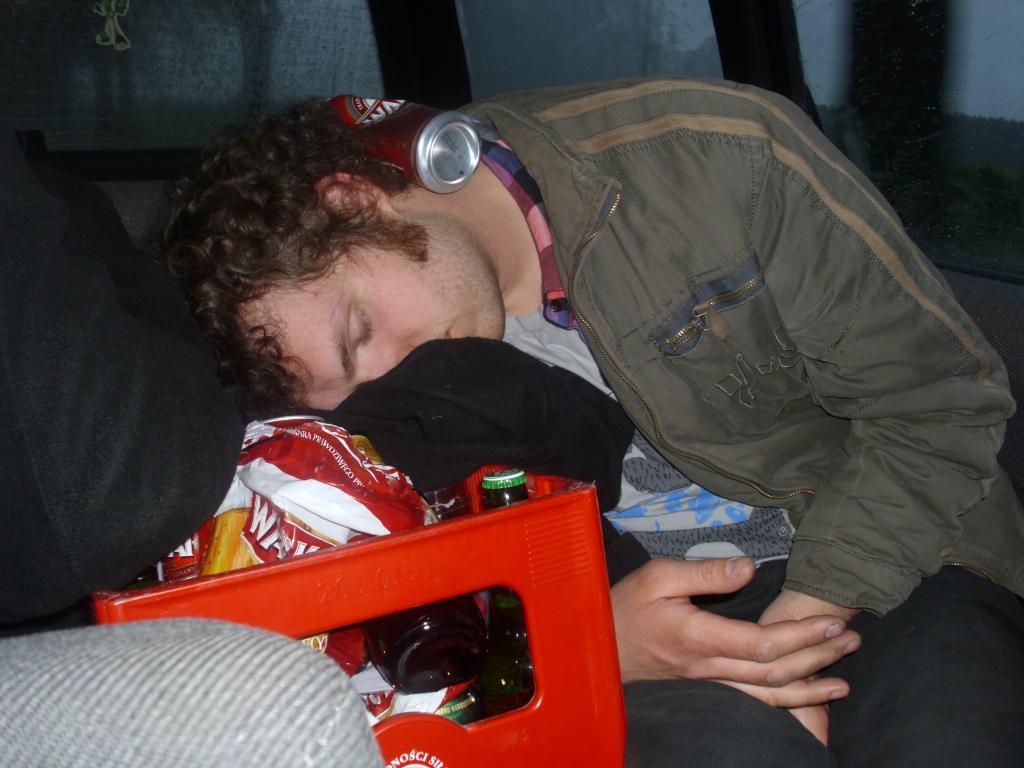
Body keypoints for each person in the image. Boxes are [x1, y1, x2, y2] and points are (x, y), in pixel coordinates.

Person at [162, 77, 1024, 767]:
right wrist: (590, 636)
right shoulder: (400, 376)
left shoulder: (716, 158)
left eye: (360, 330)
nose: (396, 375)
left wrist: (789, 643)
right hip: (635, 616)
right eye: (354, 383)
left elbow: (942, 400)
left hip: (901, 542)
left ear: (356, 200)